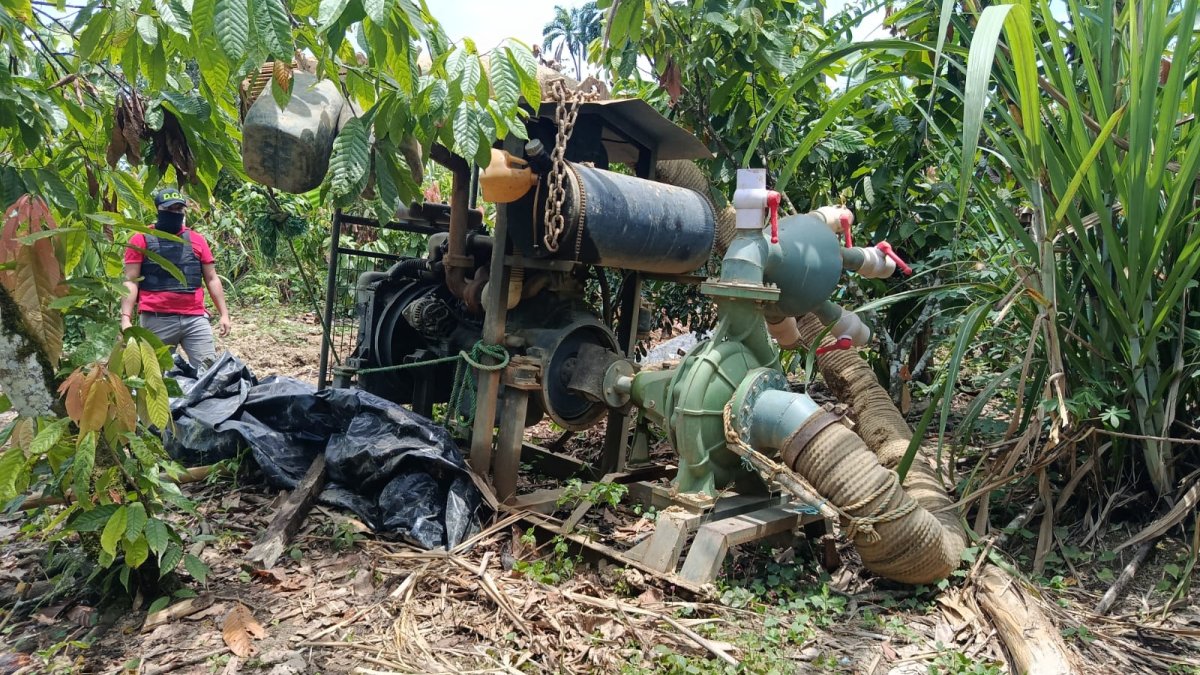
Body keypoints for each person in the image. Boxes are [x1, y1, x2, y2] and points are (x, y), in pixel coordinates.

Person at [120, 189, 231, 370]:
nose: (176, 213)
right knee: (157, 376)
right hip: (156, 319)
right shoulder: (140, 239)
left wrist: (224, 314)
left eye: (180, 209)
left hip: (195, 318)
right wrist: (125, 318)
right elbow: (131, 281)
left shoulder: (197, 240)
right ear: (159, 210)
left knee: (210, 372)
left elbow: (212, 278)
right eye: (171, 209)